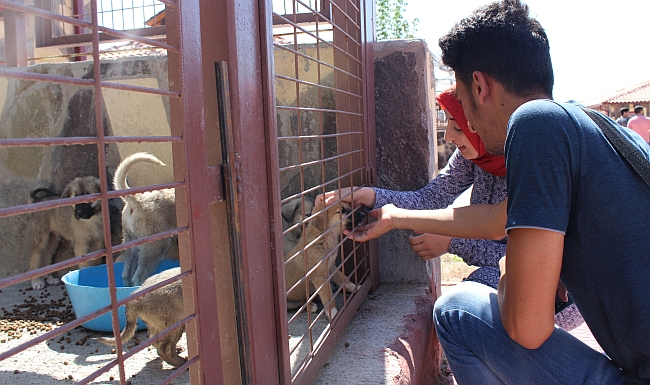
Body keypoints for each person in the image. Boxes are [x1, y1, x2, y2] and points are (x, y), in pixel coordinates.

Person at [348, 1, 650, 383]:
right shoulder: (588, 127)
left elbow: (527, 327)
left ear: (480, 85)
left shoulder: (533, 125)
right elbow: (499, 218)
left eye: (459, 99)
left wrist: (509, 266)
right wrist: (392, 214)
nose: (463, 121)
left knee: (457, 310)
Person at [328, 86, 583, 330]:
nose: (448, 136)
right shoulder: (474, 154)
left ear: (481, 123)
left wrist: (452, 242)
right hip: (508, 272)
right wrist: (372, 196)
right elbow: (430, 199)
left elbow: (528, 254)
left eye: (458, 126)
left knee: (464, 307)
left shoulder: (532, 163)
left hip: (560, 292)